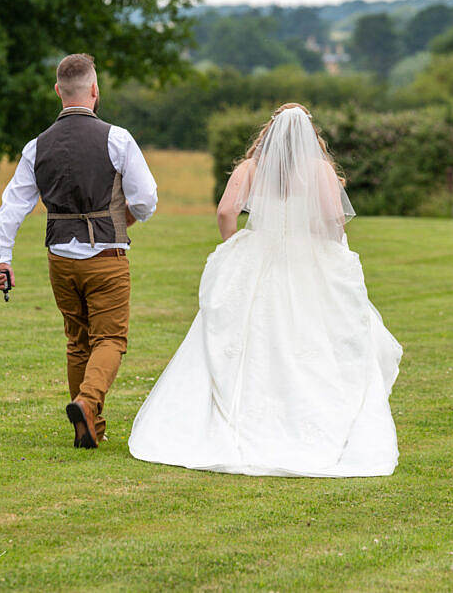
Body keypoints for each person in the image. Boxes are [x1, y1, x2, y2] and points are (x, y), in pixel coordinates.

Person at [128, 103, 401, 477]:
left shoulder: (251, 168)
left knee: (251, 337)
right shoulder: (320, 170)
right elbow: (335, 221)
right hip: (308, 261)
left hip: (260, 259)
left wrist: (235, 246)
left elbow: (226, 212)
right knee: (314, 338)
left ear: (269, 132)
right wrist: (324, 248)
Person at [0, 53, 157, 449]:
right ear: (95, 91)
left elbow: (13, 206)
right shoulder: (117, 138)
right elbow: (146, 199)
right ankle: (87, 401)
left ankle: (90, 427)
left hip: (60, 259)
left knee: (77, 340)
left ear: (57, 91)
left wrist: (2, 257)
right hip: (106, 257)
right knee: (110, 339)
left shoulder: (36, 146)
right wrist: (126, 218)